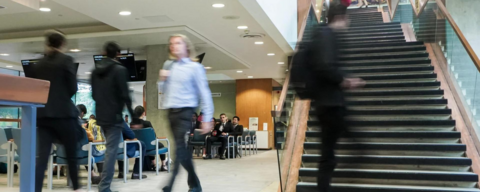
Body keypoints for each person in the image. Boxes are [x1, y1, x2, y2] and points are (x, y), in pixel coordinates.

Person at [310, 5, 365, 192]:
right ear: (340, 17)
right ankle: (347, 179)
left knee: (328, 156)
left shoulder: (322, 34)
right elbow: (324, 67)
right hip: (331, 106)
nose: (348, 23)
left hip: (325, 105)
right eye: (347, 18)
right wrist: (346, 81)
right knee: (359, 148)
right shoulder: (326, 35)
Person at [158, 34, 214, 192]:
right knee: (182, 150)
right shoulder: (169, 65)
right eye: (171, 43)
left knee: (179, 150)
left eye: (178, 43)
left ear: (186, 46)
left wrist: (207, 118)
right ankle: (195, 185)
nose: (174, 46)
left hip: (186, 111)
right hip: (171, 112)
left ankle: (170, 184)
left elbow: (205, 93)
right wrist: (161, 81)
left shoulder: (195, 67)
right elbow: (163, 91)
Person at [31, 30, 82, 192]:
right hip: (64, 115)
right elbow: (73, 88)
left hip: (43, 115)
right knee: (71, 155)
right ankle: (76, 188)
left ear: (47, 44)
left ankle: (35, 189)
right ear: (62, 44)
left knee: (42, 158)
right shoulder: (67, 60)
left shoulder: (38, 65)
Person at [91, 41, 141, 192]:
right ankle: (104, 187)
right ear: (118, 54)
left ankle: (104, 185)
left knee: (110, 149)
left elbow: (94, 94)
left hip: (101, 115)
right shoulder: (119, 70)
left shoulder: (95, 71)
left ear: (104, 52)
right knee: (111, 151)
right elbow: (125, 95)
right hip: (114, 116)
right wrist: (134, 117)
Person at [130, 105, 168, 172]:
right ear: (143, 113)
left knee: (150, 144)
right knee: (160, 145)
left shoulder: (132, 124)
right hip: (149, 146)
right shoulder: (147, 123)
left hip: (138, 146)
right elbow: (153, 136)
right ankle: (163, 165)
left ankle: (153, 164)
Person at [77, 104, 103, 184]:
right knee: (101, 150)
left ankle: (93, 174)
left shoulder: (66, 123)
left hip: (65, 154)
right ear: (82, 113)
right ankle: (100, 175)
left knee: (85, 150)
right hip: (81, 153)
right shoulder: (81, 125)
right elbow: (90, 138)